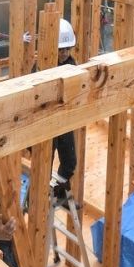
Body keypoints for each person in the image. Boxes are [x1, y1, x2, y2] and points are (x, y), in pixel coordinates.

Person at [30, 19, 80, 203]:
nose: (64, 53)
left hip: (64, 122)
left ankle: (58, 196)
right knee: (43, 167)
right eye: (61, 50)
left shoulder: (72, 65)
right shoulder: (40, 68)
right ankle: (34, 202)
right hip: (44, 126)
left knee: (69, 163)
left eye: (67, 49)